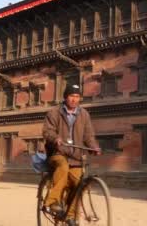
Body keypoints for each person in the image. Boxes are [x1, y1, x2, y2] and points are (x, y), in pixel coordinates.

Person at [42, 84, 100, 226]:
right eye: (71, 96)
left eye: (77, 96)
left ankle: (70, 215)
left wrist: (93, 147)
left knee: (81, 184)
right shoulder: (54, 112)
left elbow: (89, 135)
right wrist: (55, 139)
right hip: (58, 153)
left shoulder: (84, 114)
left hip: (76, 157)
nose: (74, 99)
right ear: (65, 97)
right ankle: (52, 201)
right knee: (62, 166)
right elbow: (47, 131)